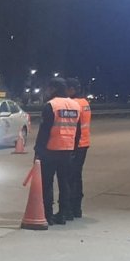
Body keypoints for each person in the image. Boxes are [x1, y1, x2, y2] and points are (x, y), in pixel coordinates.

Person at [33, 77, 81, 225]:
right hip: (67, 150)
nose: (47, 91)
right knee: (65, 183)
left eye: (48, 88)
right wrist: (74, 148)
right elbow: (77, 131)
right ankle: (63, 214)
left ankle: (48, 215)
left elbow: (44, 131)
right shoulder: (75, 105)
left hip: (50, 149)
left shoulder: (51, 106)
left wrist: (38, 151)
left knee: (47, 184)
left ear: (53, 89)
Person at [66, 77, 91, 218]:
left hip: (75, 145)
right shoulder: (85, 102)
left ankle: (69, 209)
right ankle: (77, 209)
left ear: (72, 89)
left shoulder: (74, 104)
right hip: (84, 144)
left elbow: (74, 127)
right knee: (77, 176)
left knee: (70, 178)